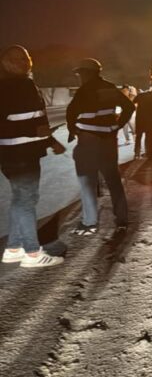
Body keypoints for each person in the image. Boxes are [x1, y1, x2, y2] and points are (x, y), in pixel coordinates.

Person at [0, 46, 65, 267]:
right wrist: (46, 138)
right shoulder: (20, 85)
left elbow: (33, 121)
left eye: (25, 58)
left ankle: (13, 248)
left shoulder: (13, 84)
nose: (23, 62)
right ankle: (32, 253)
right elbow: (35, 124)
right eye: (16, 59)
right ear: (5, 63)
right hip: (22, 153)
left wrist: (50, 141)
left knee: (20, 198)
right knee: (26, 200)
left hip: (12, 153)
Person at [66, 58, 135, 235]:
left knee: (87, 181)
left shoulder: (84, 90)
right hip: (108, 140)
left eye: (81, 73)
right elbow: (129, 107)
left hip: (88, 140)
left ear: (87, 73)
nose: (80, 77)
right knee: (113, 179)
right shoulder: (110, 88)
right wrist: (118, 125)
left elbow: (71, 113)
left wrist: (73, 130)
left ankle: (89, 222)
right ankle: (122, 219)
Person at [132, 84, 152, 159]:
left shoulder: (141, 95)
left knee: (139, 136)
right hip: (149, 121)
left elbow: (134, 101)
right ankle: (147, 152)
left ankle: (137, 152)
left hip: (140, 119)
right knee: (148, 136)